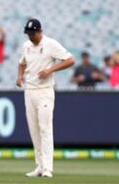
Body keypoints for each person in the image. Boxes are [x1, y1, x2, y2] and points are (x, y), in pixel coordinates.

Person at [16, 18, 75, 178]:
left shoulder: (50, 44)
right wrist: (19, 77)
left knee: (45, 129)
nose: (30, 37)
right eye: (28, 34)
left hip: (45, 91)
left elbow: (70, 59)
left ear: (40, 31)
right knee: (34, 130)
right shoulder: (27, 45)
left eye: (32, 34)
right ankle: (40, 166)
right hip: (30, 91)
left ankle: (48, 168)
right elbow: (22, 63)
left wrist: (50, 69)